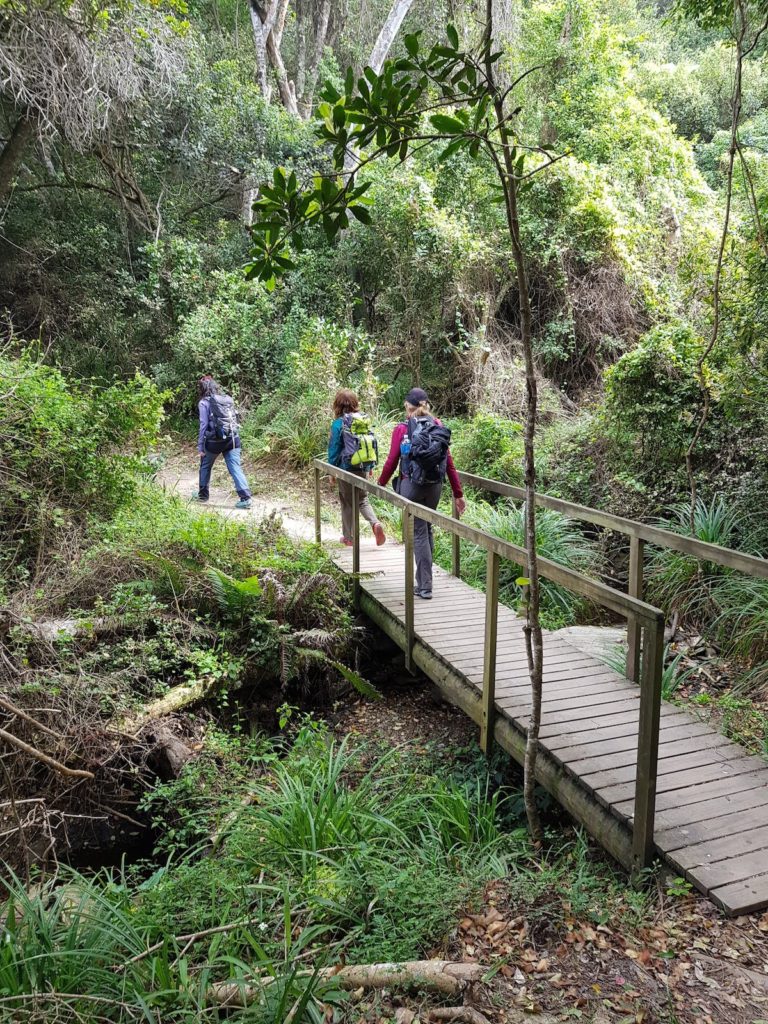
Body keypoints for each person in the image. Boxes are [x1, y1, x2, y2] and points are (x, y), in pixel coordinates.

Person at [378, 387, 465, 599]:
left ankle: (425, 586)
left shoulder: (402, 429)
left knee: (418, 531)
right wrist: (458, 493)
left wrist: (380, 484)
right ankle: (423, 579)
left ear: (407, 406)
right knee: (426, 528)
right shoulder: (438, 426)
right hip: (435, 487)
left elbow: (392, 460)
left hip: (412, 486)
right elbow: (449, 463)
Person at [328, 389, 386, 547]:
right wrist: (370, 466)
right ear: (355, 403)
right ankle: (375, 523)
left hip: (344, 468)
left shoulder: (338, 424)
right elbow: (369, 444)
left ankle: (349, 537)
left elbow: (334, 449)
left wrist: (332, 471)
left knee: (347, 502)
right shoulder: (361, 420)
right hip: (361, 466)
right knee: (362, 499)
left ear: (337, 405)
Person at [192, 375, 253, 510]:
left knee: (205, 465)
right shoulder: (226, 400)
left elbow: (203, 425)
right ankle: (246, 498)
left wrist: (201, 446)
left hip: (214, 442)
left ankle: (203, 495)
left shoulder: (204, 403)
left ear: (201, 389)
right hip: (232, 439)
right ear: (215, 387)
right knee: (235, 467)